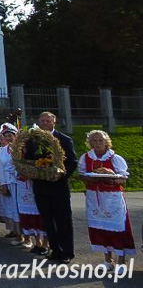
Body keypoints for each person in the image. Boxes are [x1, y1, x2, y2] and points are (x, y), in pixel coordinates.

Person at [78, 129, 136, 270]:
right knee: (100, 228)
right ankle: (108, 260)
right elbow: (82, 176)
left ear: (106, 142)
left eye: (100, 141)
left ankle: (121, 260)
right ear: (90, 143)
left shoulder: (115, 158)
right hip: (95, 198)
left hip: (112, 198)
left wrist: (110, 175)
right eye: (94, 141)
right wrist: (89, 177)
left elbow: (123, 180)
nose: (98, 144)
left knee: (118, 228)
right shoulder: (85, 158)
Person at [28, 111, 77, 263]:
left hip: (58, 186)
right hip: (40, 185)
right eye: (42, 121)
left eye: (48, 121)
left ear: (54, 122)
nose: (44, 123)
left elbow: (73, 161)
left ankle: (67, 252)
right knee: (47, 220)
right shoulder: (33, 140)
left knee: (63, 220)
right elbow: (29, 160)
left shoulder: (63, 139)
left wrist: (61, 175)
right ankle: (55, 250)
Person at [0, 123, 22, 243]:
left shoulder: (20, 149)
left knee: (21, 208)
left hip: (19, 183)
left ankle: (25, 236)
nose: (8, 138)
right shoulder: (1, 151)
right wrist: (2, 184)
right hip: (8, 183)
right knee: (11, 208)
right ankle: (16, 232)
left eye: (11, 136)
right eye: (6, 136)